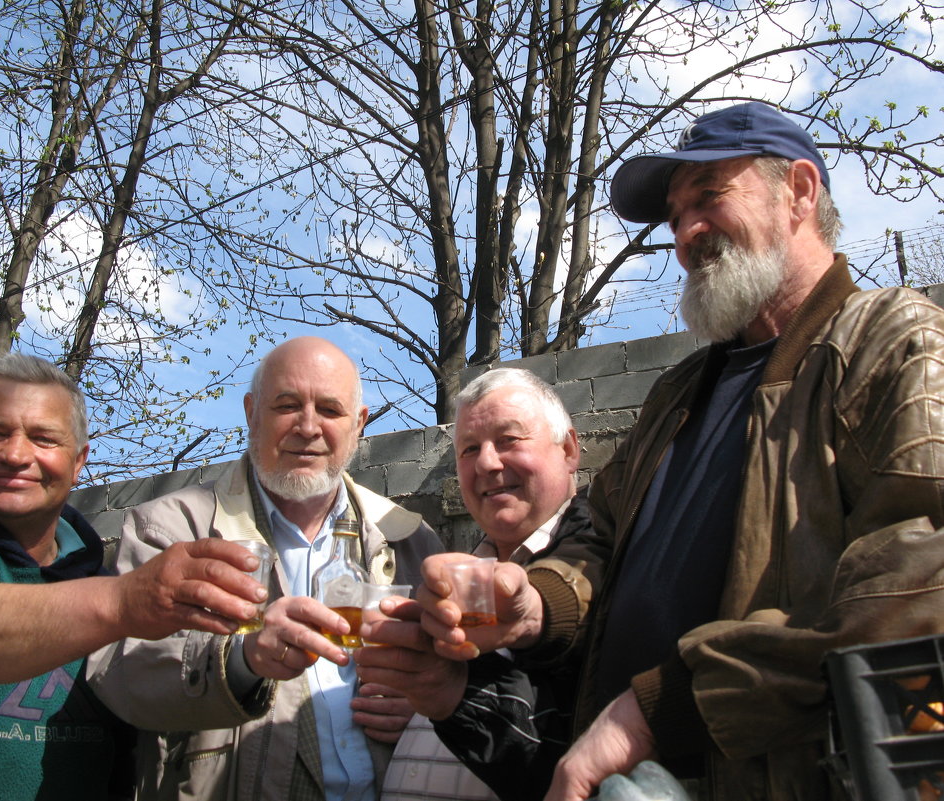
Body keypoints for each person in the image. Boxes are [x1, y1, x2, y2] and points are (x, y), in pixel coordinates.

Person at [412, 102, 944, 801]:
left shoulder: (892, 341)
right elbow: (595, 540)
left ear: (801, 192)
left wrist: (665, 706)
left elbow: (917, 590)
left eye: (709, 196)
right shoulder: (679, 393)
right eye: (674, 214)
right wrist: (531, 604)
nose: (686, 232)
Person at [0, 353, 270, 801]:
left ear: (79, 460)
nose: (16, 454)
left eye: (44, 438)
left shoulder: (97, 572)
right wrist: (121, 604)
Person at [87, 336, 444, 801]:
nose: (308, 427)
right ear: (252, 412)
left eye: (331, 411)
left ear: (359, 425)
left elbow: (458, 683)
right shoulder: (173, 528)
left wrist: (424, 712)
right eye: (287, 405)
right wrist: (242, 659)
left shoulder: (408, 537)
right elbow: (118, 673)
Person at [375, 368, 584, 801]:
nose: (487, 463)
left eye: (508, 440)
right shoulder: (463, 573)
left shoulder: (602, 570)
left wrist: (451, 694)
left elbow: (581, 764)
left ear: (568, 449)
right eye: (470, 449)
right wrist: (417, 711)